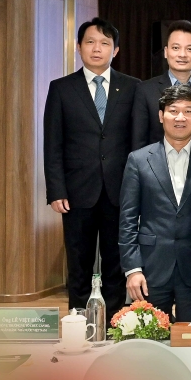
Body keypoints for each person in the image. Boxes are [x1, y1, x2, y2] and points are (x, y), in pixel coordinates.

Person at [43, 17, 138, 310]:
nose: (97, 49)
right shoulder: (61, 88)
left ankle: (113, 321)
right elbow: (53, 143)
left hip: (119, 189)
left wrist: (137, 189)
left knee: (115, 261)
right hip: (76, 191)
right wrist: (56, 190)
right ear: (79, 47)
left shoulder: (132, 87)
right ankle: (78, 317)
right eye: (90, 42)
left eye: (105, 43)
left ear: (115, 50)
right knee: (78, 259)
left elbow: (137, 142)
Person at [119, 84, 191, 322]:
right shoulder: (138, 160)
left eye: (188, 111)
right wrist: (132, 269)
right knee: (150, 339)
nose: (180, 117)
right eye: (173, 111)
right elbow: (127, 219)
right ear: (161, 116)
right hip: (150, 269)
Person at [131, 20, 191, 153]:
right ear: (166, 52)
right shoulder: (145, 90)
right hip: (157, 163)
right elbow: (139, 140)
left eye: (190, 49)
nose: (182, 54)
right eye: (176, 48)